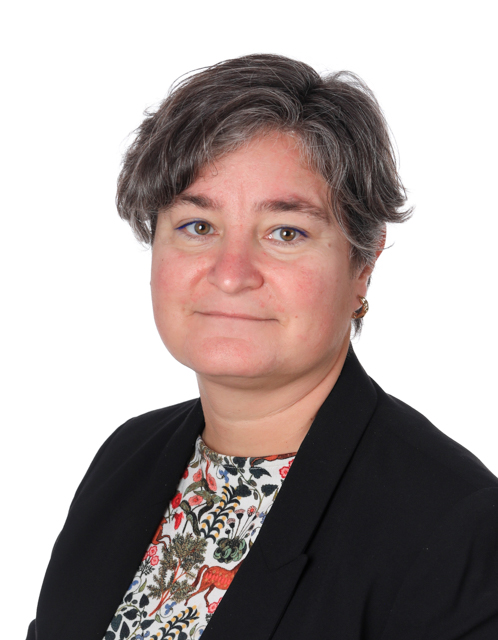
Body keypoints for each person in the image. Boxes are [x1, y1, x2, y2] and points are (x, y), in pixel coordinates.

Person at [27, 54, 498, 640]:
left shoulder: (457, 527)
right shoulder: (126, 459)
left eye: (285, 232)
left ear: (363, 263)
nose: (231, 274)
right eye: (198, 226)